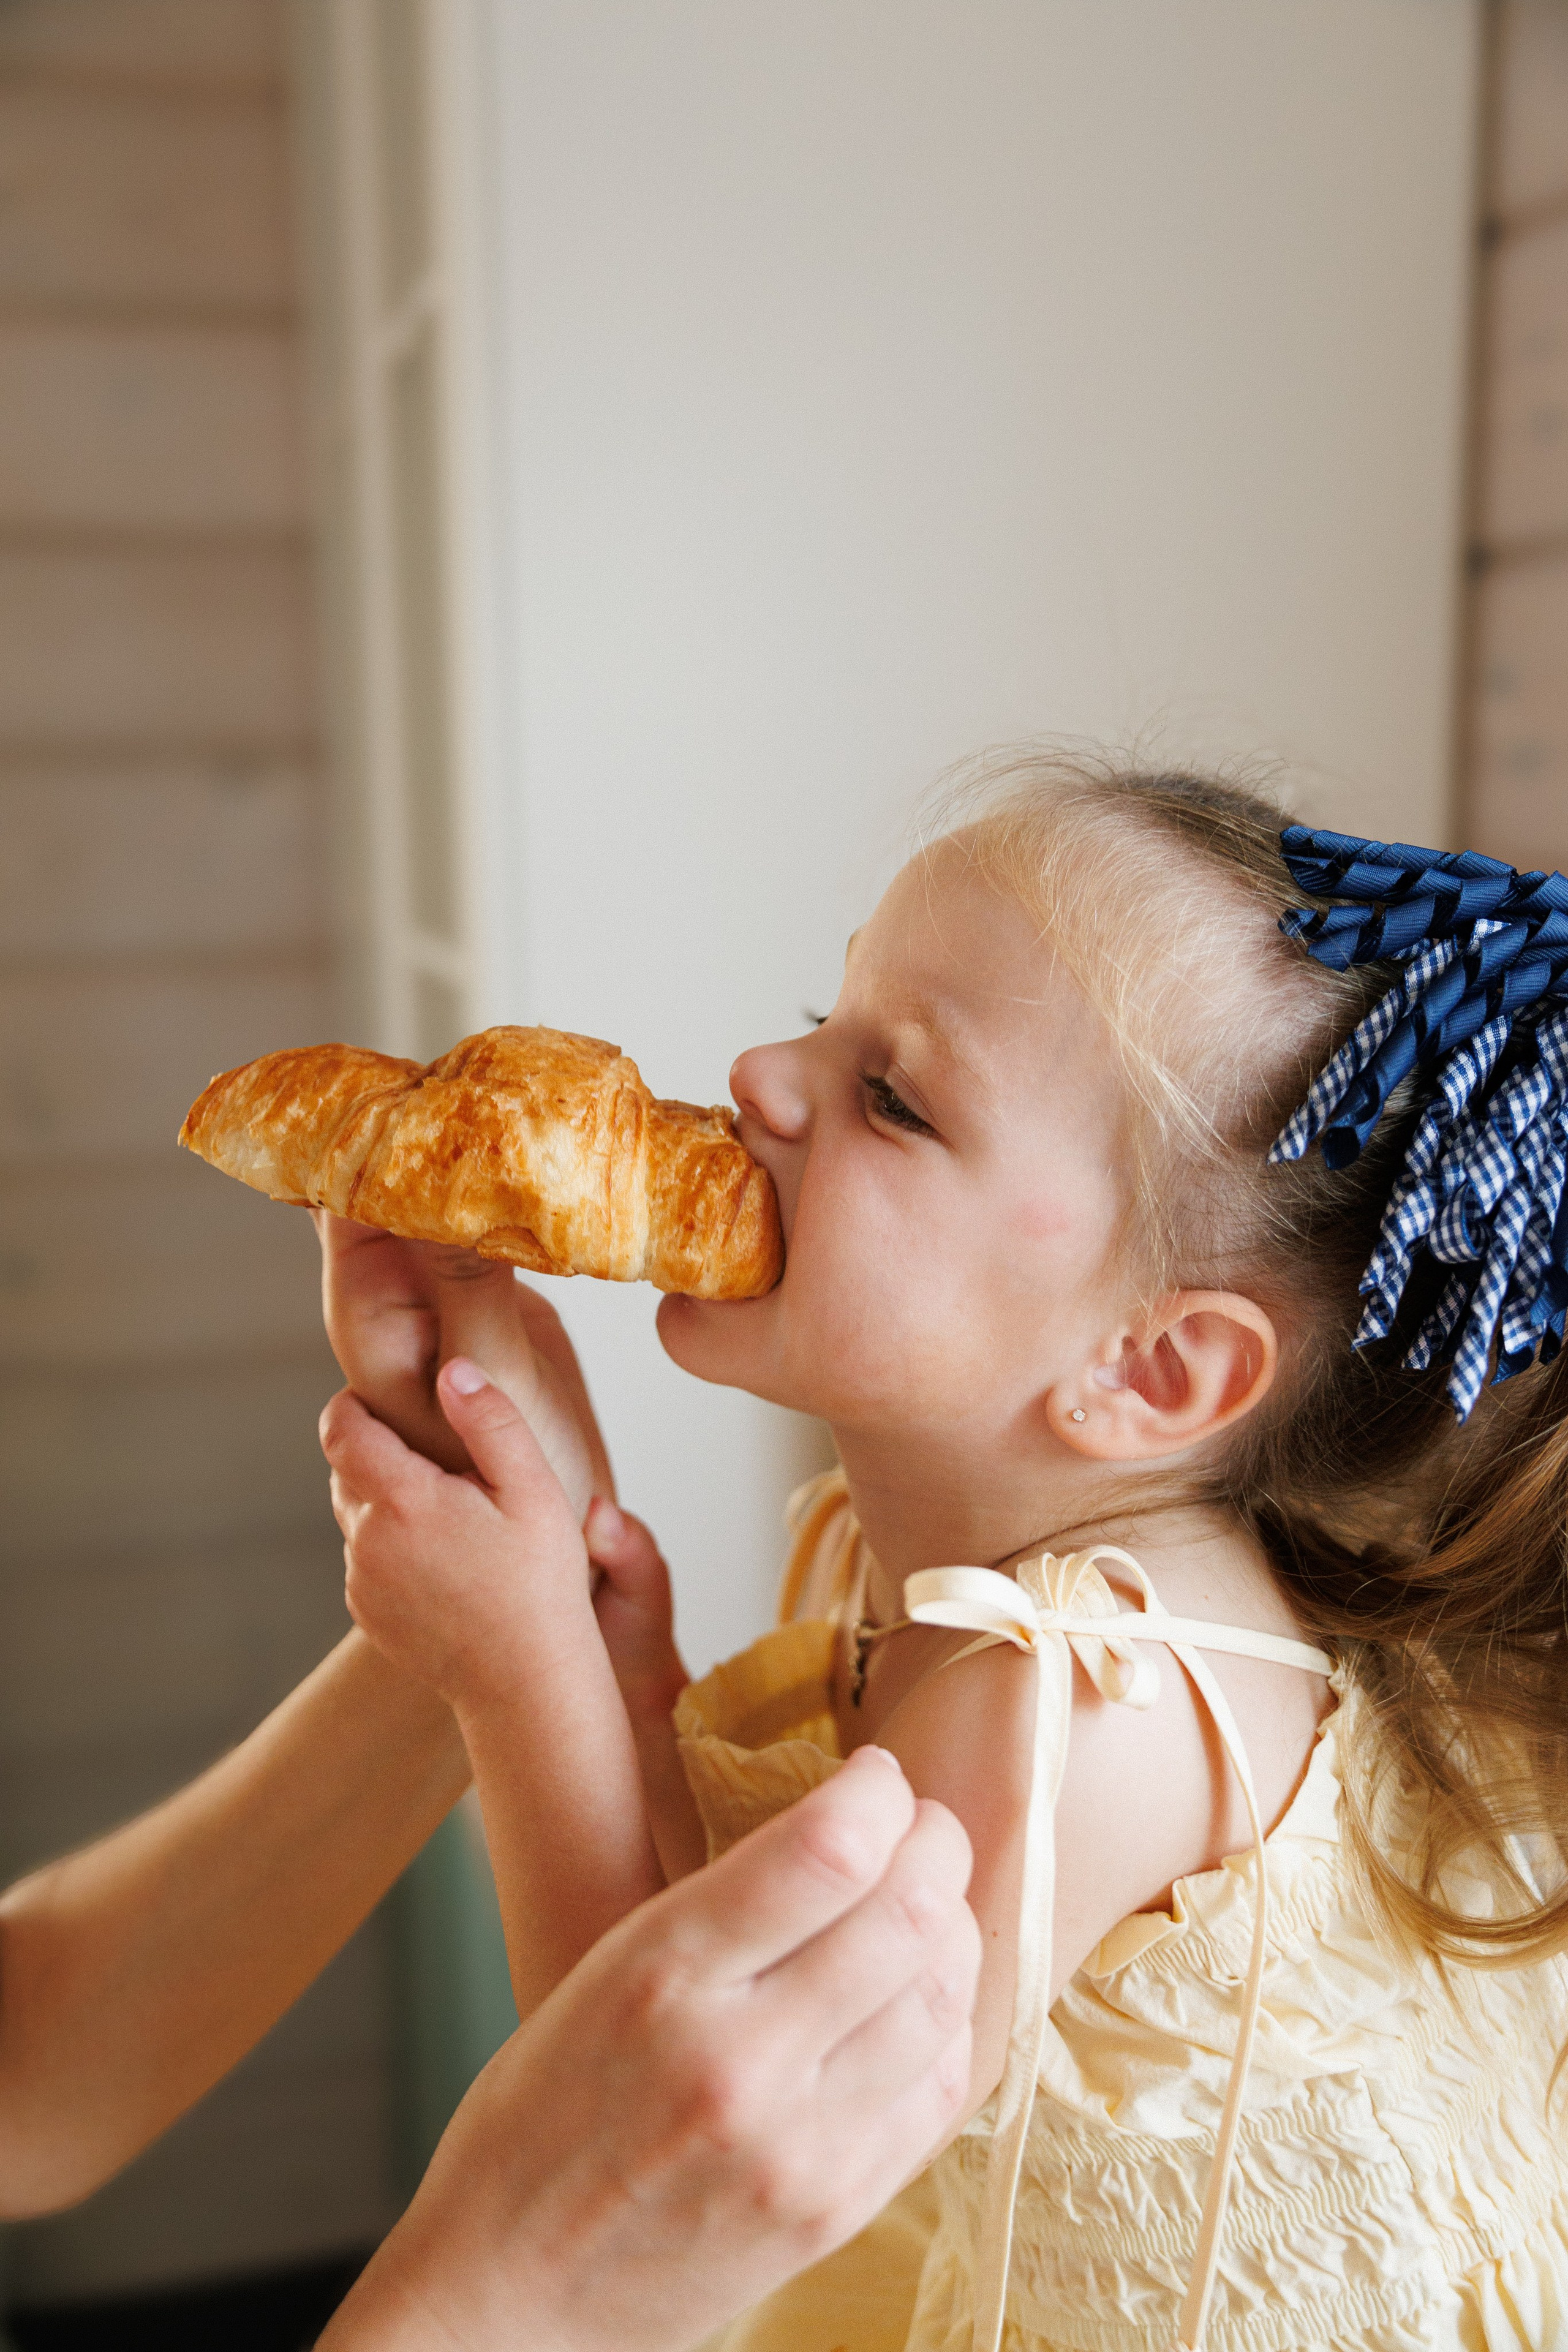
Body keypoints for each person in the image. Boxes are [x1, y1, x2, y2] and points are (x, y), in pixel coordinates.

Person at [323, 756, 1568, 2352]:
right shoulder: (947, 1565)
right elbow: (699, 1959)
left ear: (1149, 1372)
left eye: (892, 1097)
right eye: (822, 1016)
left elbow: (677, 2175)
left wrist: (522, 1676)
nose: (765, 1078)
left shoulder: (1076, 1706)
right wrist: (618, 1688)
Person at [0, 1258, 979, 2344]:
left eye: (892, 1101)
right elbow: (631, 2064)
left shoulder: (1046, 1693)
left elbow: (23, 2076)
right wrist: (526, 2287)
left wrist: (509, 1617)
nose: (753, 1077)